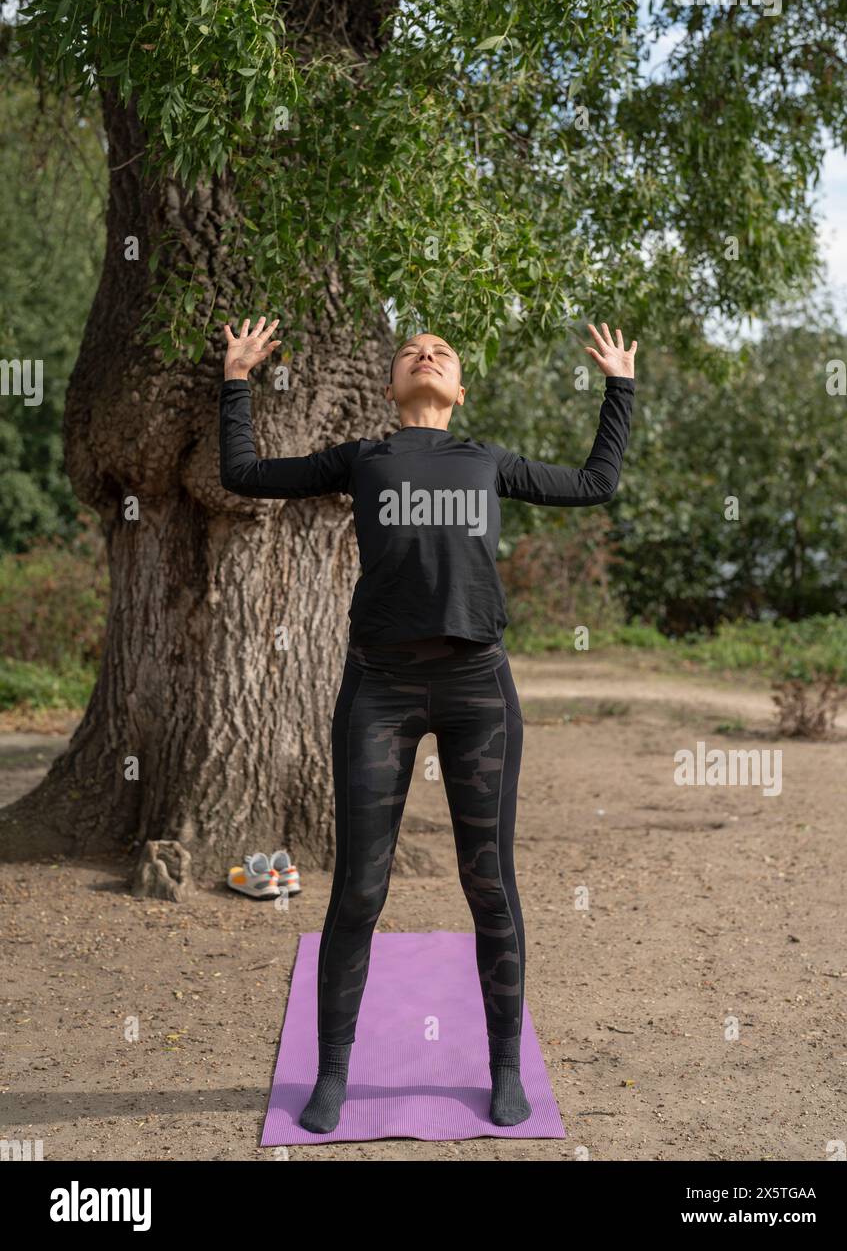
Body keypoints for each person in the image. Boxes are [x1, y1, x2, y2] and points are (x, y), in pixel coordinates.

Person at [219, 317, 637, 1132]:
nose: (427, 354)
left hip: (478, 684)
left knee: (490, 884)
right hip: (381, 685)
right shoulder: (364, 457)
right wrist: (237, 382)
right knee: (360, 888)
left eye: (443, 351)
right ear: (392, 386)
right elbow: (243, 474)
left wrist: (619, 387)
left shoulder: (487, 459)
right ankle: (333, 1073)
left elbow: (595, 483)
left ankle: (504, 1069)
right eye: (412, 350)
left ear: (459, 388)